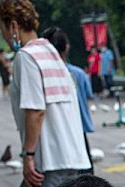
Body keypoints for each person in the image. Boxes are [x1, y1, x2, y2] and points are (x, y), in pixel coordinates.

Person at [0, 0, 92, 187]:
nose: (4, 35)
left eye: (2, 28)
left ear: (13, 25)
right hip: (73, 156)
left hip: (49, 161)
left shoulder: (26, 56)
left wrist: (28, 156)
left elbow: (36, 110)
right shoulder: (50, 51)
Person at [42, 26, 95, 166]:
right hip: (79, 127)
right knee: (85, 171)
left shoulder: (42, 75)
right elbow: (88, 95)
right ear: (67, 47)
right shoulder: (79, 73)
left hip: (55, 132)